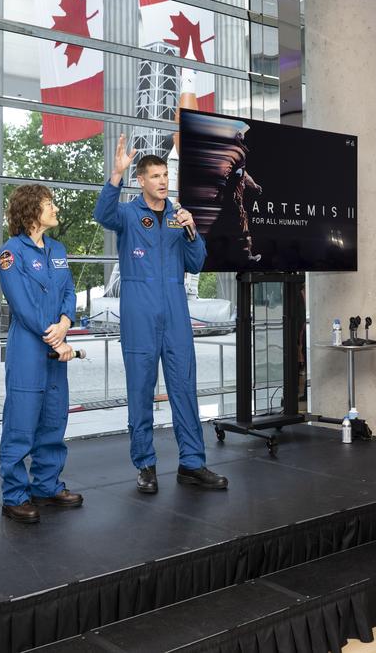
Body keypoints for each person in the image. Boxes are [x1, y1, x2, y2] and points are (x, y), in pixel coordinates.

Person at [95, 134, 228, 493]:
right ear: (141, 180)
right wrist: (115, 174)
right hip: (139, 312)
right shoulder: (128, 214)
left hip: (175, 313)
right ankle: (146, 464)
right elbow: (102, 214)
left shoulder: (178, 216)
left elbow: (197, 262)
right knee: (141, 390)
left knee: (184, 387)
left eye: (164, 175)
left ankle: (192, 463)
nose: (162, 181)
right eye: (154, 176)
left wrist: (191, 230)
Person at [0, 185, 83, 524]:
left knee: (53, 418)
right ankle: (15, 495)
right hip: (29, 347)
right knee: (21, 421)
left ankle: (47, 485)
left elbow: (69, 290)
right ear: (32, 211)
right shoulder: (10, 253)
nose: (55, 208)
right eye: (49, 204)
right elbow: (21, 304)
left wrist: (65, 321)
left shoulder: (57, 249)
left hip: (55, 341)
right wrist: (55, 339)